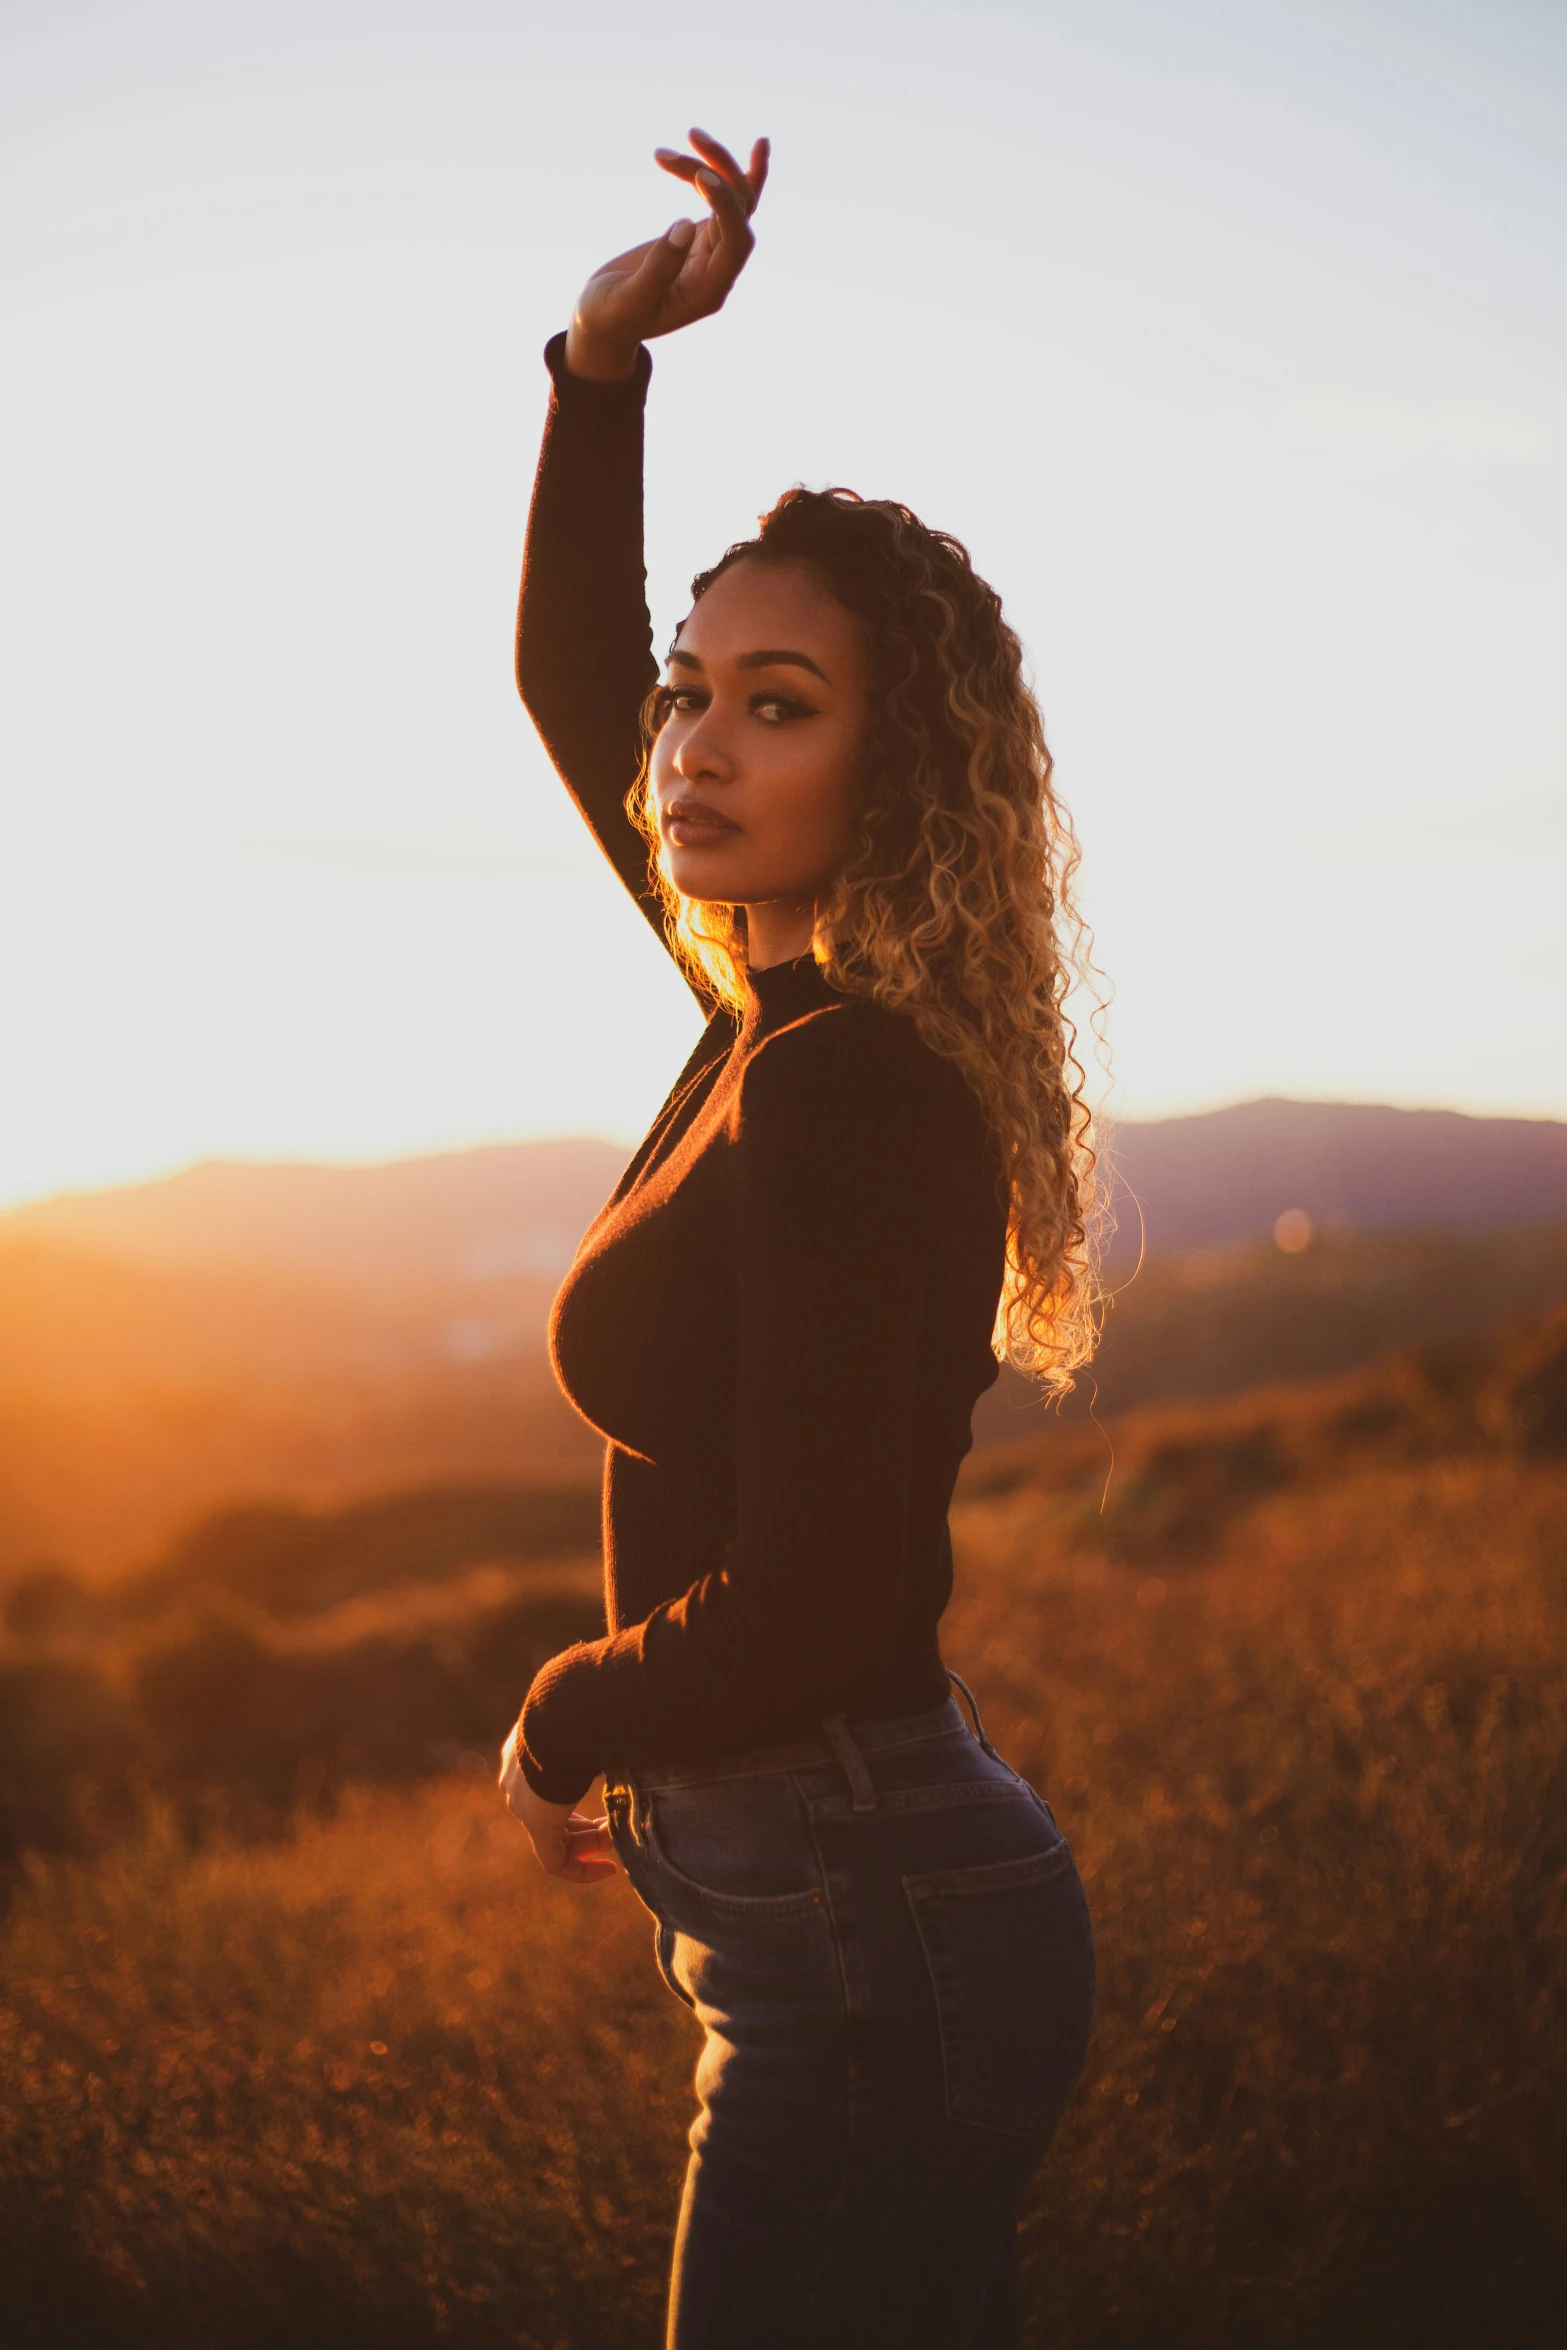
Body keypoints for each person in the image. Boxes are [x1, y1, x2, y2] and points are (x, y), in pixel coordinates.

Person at [499, 126, 1097, 2350]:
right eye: (695, 686)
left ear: (897, 770)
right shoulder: (777, 1019)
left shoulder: (848, 1076)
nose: (690, 744)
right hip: (846, 1908)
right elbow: (579, 694)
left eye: (780, 702)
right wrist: (597, 363)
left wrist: (567, 1715)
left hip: (862, 1905)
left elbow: (835, 1600)